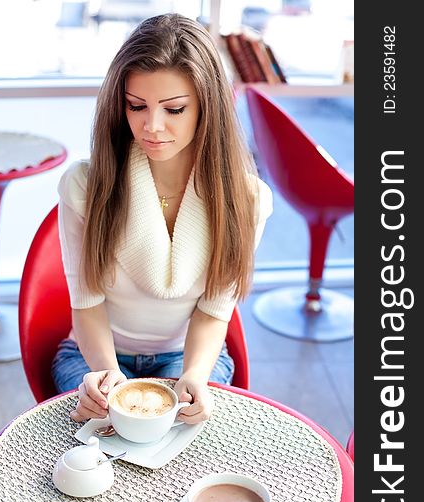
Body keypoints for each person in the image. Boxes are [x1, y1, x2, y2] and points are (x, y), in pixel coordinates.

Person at [52, 13, 272, 425]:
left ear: (207, 107)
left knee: (185, 449)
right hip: (95, 354)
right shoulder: (85, 185)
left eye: (173, 109)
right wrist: (104, 372)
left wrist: (194, 374)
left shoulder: (247, 199)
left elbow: (213, 312)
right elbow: (86, 304)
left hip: (185, 354)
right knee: (102, 442)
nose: (151, 126)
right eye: (137, 106)